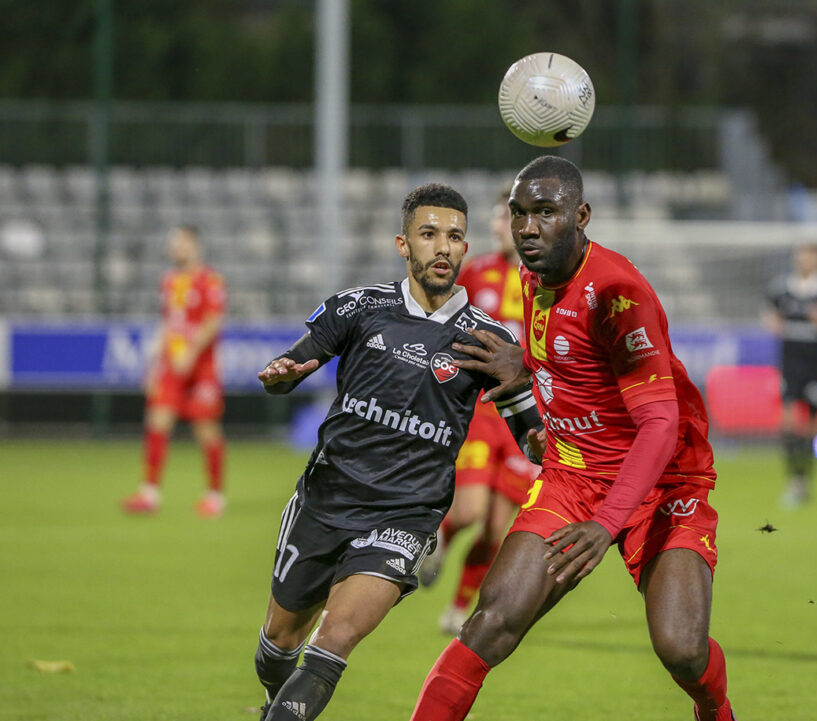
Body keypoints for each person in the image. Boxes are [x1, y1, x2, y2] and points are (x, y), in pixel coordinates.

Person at [407, 156, 736, 721]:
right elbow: (575, 378)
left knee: (681, 648)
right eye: (519, 214)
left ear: (580, 215)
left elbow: (660, 424)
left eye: (545, 213)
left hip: (662, 480)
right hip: (573, 478)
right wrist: (535, 412)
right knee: (491, 624)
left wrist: (607, 522)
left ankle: (716, 710)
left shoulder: (617, 294)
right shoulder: (531, 277)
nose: (528, 228)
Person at [251, 184, 544, 721]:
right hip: (326, 500)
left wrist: (556, 424)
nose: (442, 247)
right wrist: (282, 374)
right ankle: (275, 698)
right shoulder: (359, 307)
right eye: (428, 234)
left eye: (454, 236)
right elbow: (295, 363)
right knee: (277, 645)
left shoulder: (487, 339)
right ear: (403, 244)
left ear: (464, 246)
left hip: (406, 514)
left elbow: (534, 436)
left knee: (334, 638)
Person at [418, 184, 541, 636]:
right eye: (493, 220)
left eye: (503, 220)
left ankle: (458, 606)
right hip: (478, 412)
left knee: (495, 527)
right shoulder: (475, 273)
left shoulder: (546, 281)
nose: (497, 228)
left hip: (524, 419)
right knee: (468, 511)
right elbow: (443, 332)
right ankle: (441, 544)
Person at [121, 225, 228, 518]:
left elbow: (212, 321)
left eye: (181, 242)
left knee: (206, 429)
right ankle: (149, 493)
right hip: (172, 364)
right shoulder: (169, 281)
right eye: (173, 243)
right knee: (157, 421)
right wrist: (154, 364)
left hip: (201, 367)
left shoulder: (210, 280)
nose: (176, 248)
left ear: (195, 245)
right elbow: (168, 323)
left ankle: (215, 496)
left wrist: (192, 352)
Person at [763, 244, 817, 509]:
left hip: (815, 366)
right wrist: (773, 324)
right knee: (788, 420)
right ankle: (793, 480)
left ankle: (805, 480)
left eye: (809, 257)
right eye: (800, 257)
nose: (803, 261)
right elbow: (771, 317)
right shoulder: (781, 289)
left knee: (813, 422)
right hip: (788, 364)